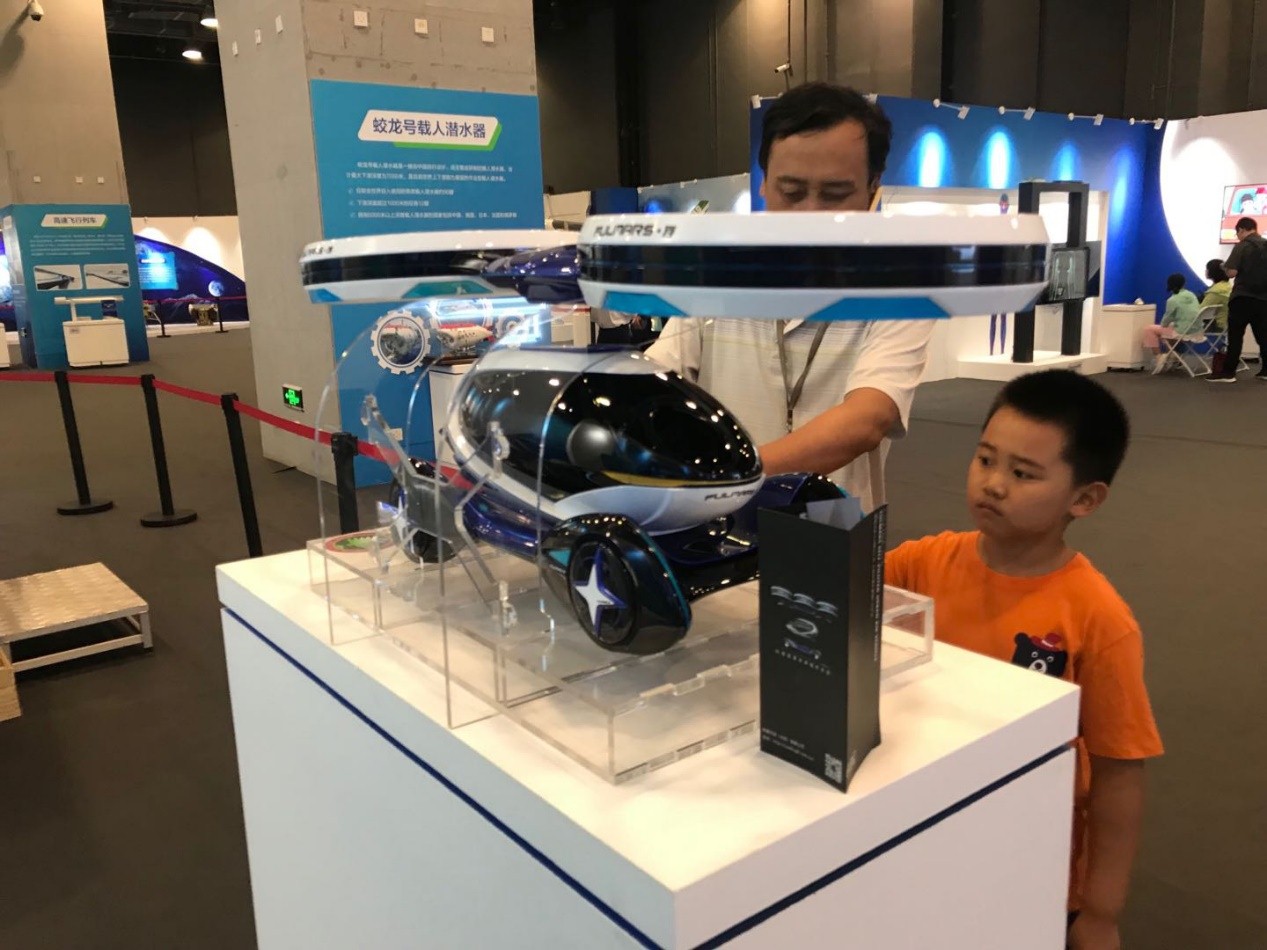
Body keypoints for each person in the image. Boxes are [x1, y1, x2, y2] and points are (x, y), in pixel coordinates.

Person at [886, 370, 1163, 949]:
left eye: (1022, 474)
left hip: (1035, 852)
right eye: (985, 459)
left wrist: (1102, 911)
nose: (993, 484)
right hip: (931, 824)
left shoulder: (1098, 619)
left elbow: (1119, 772)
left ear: (1084, 499)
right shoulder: (922, 563)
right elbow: (841, 587)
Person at [647, 83, 935, 511]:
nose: (809, 214)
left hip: (831, 527)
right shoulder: (721, 278)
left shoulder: (901, 286)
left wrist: (726, 478)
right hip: (713, 528)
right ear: (764, 183)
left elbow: (868, 418)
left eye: (835, 195)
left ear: (873, 189)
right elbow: (656, 376)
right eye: (792, 192)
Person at [1208, 217, 1267, 382]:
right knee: (1263, 336)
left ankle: (1228, 372)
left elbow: (1232, 272)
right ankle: (1266, 370)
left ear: (1241, 229)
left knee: (1235, 335)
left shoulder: (1242, 246)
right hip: (1263, 298)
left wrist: (1225, 267)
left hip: (1242, 297)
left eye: (1237, 233)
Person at [1141, 273, 1200, 374]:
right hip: (1197, 331)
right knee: (1169, 331)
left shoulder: (1172, 300)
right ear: (1184, 283)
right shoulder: (1192, 295)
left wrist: (1165, 324)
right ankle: (1173, 356)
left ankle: (1159, 357)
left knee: (1149, 329)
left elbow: (1165, 321)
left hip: (1182, 332)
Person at [1199, 259, 1231, 331]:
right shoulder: (1228, 286)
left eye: (1207, 269)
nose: (1205, 271)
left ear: (1212, 271)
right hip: (1228, 323)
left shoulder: (1216, 291)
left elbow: (1200, 312)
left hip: (1218, 325)